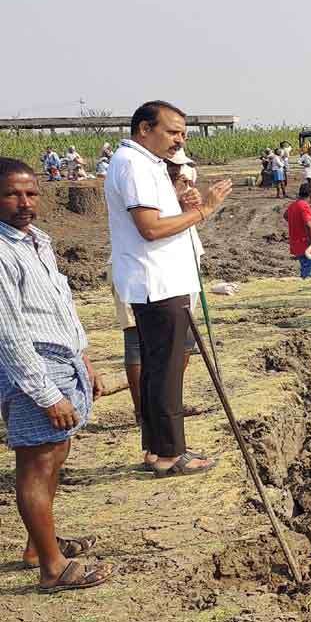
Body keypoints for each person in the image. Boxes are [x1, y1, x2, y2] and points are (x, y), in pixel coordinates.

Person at [0, 158, 113, 593]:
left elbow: (60, 307)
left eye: (31, 192)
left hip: (61, 359)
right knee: (36, 460)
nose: (25, 202)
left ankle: (39, 544)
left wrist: (82, 358)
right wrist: (46, 394)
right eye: (12, 193)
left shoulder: (36, 241)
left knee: (56, 451)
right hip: (32, 367)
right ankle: (51, 567)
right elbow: (8, 334)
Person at [106, 101, 230, 478]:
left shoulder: (149, 164)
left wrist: (179, 202)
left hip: (163, 279)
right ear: (144, 128)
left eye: (183, 133)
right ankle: (169, 453)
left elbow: (157, 216)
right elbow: (150, 228)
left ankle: (157, 447)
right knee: (166, 370)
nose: (180, 139)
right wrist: (205, 210)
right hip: (157, 281)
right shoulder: (133, 164)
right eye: (173, 131)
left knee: (159, 366)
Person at [284, 181, 311, 278]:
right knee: (309, 272)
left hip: (296, 243)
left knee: (305, 267)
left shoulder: (293, 205)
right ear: (310, 195)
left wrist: (296, 223)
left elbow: (286, 216)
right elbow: (308, 225)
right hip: (306, 244)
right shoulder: (304, 206)